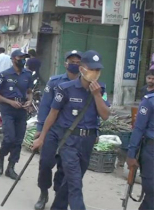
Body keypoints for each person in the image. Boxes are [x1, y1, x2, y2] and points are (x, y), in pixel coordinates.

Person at [32, 50, 110, 210]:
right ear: (82, 69)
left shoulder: (101, 89)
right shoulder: (64, 87)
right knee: (75, 183)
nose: (95, 73)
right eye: (92, 69)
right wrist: (41, 136)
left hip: (87, 141)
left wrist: (96, 95)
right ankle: (45, 193)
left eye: (98, 70)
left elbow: (105, 115)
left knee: (70, 181)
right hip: (68, 140)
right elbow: (51, 112)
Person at [33, 50, 82, 210]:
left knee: (64, 167)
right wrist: (40, 129)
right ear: (65, 63)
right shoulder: (55, 82)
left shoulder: (85, 84)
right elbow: (45, 106)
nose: (74, 64)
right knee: (46, 163)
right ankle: (43, 192)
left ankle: (58, 196)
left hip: (71, 133)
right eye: (71, 61)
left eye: (77, 62)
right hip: (52, 129)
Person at [0, 49, 33, 180]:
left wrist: (30, 101)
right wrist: (9, 102)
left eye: (24, 58)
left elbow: (29, 91)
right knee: (9, 138)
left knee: (18, 141)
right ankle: (1, 156)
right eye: (20, 58)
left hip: (21, 109)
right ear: (13, 59)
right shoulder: (3, 75)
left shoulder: (27, 74)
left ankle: (11, 167)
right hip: (8, 109)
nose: (23, 60)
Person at [127, 93, 154, 210]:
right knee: (151, 189)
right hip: (150, 151)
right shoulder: (149, 101)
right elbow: (138, 128)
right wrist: (131, 154)